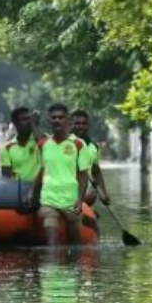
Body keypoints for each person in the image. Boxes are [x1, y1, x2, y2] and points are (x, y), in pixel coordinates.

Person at [30, 103, 93, 246]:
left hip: (70, 201)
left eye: (60, 117)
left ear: (68, 120)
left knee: (75, 244)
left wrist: (79, 199)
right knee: (52, 240)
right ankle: (51, 268)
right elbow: (40, 171)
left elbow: (83, 175)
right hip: (48, 200)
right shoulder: (42, 144)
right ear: (49, 121)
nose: (57, 120)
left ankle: (73, 268)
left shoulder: (78, 144)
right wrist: (31, 193)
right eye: (54, 118)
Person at [71, 110, 110, 206]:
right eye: (77, 123)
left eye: (84, 124)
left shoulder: (93, 147)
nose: (81, 127)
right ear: (70, 124)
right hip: (62, 190)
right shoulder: (63, 141)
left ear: (88, 126)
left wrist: (104, 193)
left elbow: (96, 171)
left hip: (83, 191)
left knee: (91, 193)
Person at [0, 106, 41, 183]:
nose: (29, 122)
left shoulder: (39, 141)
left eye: (30, 119)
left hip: (40, 191)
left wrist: (36, 127)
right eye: (25, 119)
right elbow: (6, 179)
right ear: (16, 123)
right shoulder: (7, 148)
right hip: (18, 191)